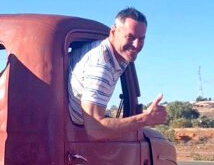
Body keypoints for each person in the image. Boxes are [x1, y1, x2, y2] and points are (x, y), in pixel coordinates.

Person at [68, 7, 167, 140]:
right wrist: (145, 118)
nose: (136, 45)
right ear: (113, 31)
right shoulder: (101, 67)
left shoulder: (120, 56)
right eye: (130, 37)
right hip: (74, 135)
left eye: (141, 39)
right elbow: (95, 129)